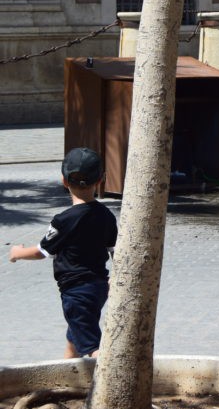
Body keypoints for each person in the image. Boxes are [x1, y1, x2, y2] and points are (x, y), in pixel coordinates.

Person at [9, 147, 118, 359]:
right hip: (98, 288)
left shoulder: (64, 220)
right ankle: (68, 381)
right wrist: (116, 277)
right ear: (101, 179)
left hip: (76, 292)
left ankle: (112, 383)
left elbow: (42, 251)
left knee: (93, 347)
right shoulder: (106, 216)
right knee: (74, 340)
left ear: (64, 181)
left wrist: (17, 252)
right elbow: (116, 250)